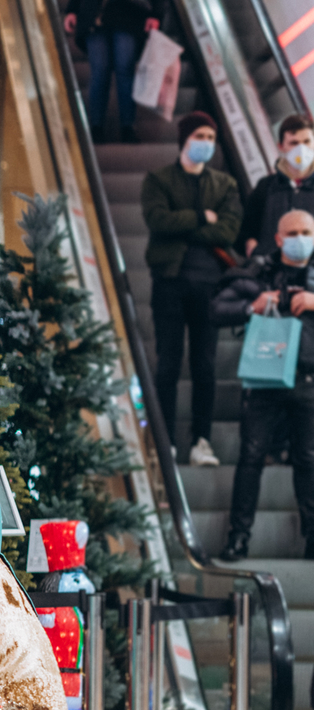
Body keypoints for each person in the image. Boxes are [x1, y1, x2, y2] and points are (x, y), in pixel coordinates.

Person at [211, 209, 314, 561]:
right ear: (280, 238)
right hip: (265, 378)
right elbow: (216, 309)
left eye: (308, 232)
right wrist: (252, 305)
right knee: (251, 457)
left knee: (308, 459)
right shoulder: (259, 272)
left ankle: (312, 539)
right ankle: (238, 538)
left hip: (309, 379)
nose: (302, 239)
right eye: (295, 232)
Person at [142, 111, 241, 467]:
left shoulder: (224, 185)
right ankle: (165, 440)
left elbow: (227, 232)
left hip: (210, 286)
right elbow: (157, 220)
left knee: (205, 364)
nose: (207, 144)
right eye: (201, 136)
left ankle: (202, 440)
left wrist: (183, 223)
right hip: (168, 282)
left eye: (211, 138)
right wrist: (201, 217)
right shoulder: (159, 179)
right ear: (185, 139)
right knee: (167, 363)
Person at [64, 1, 159, 144]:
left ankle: (127, 127)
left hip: (129, 13)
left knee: (124, 69)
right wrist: (72, 10)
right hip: (94, 15)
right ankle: (97, 127)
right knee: (100, 71)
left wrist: (156, 13)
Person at [241, 115, 314, 257]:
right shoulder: (266, 187)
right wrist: (249, 243)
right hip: (269, 273)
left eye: (307, 142)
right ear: (281, 146)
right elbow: (246, 228)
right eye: (294, 143)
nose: (301, 148)